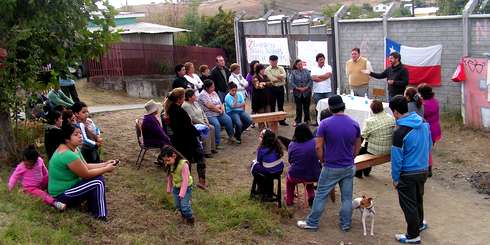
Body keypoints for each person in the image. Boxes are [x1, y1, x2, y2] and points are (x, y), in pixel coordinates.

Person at [297, 95, 361, 231]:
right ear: (343, 106)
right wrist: (352, 157)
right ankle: (345, 224)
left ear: (331, 108)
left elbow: (318, 147)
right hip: (348, 166)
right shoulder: (354, 123)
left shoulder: (325, 124)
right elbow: (357, 145)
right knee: (347, 197)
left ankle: (312, 222)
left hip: (331, 166)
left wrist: (322, 160)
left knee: (320, 195)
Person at [48, 121, 117, 220]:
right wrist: (106, 169)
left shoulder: (74, 149)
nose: (80, 136)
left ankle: (93, 208)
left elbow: (86, 166)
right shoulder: (67, 154)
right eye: (76, 134)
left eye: (80, 133)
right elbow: (86, 174)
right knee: (97, 182)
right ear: (67, 139)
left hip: (70, 189)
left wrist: (105, 163)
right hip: (60, 196)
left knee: (97, 179)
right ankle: (100, 215)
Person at [389, 95, 431, 244]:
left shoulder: (399, 132)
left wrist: (395, 178)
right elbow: (429, 145)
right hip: (423, 169)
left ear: (395, 112)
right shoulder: (424, 122)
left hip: (407, 174)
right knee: (418, 199)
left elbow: (396, 159)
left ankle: (413, 235)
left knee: (409, 205)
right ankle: (419, 224)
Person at [165, 88, 208, 189]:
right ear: (179, 99)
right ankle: (201, 182)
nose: (184, 98)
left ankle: (186, 182)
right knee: (200, 158)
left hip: (178, 140)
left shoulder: (170, 109)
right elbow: (188, 127)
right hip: (188, 140)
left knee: (185, 162)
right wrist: (198, 133)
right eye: (184, 96)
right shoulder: (179, 111)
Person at [8, 145, 66, 211]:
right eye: (26, 164)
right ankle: (55, 203)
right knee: (42, 194)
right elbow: (14, 177)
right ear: (23, 160)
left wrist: (48, 178)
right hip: (31, 188)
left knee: (51, 177)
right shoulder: (21, 167)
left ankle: (58, 191)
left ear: (35, 161)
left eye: (31, 164)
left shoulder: (39, 161)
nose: (28, 166)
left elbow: (45, 171)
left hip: (40, 183)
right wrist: (10, 187)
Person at [355, 100, 395, 178]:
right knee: (366, 147)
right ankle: (366, 172)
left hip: (376, 151)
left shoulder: (370, 121)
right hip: (389, 148)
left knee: (361, 152)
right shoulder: (391, 118)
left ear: (372, 110)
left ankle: (358, 173)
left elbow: (363, 136)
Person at [285, 124, 321, 207]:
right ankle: (311, 196)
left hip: (296, 175)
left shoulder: (292, 145)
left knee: (289, 181)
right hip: (314, 175)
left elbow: (290, 160)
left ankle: (289, 200)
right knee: (308, 176)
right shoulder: (315, 142)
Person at [163, 146, 195, 225]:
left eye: (168, 160)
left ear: (174, 155)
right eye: (165, 161)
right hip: (176, 187)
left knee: (184, 206)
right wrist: (169, 188)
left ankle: (190, 218)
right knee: (178, 205)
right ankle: (183, 215)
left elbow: (185, 181)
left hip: (186, 188)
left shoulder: (184, 165)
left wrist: (182, 193)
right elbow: (170, 177)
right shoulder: (171, 165)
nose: (166, 162)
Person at [198, 79, 235, 147]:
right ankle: (217, 143)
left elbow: (220, 102)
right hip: (209, 114)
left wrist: (222, 109)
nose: (213, 88)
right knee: (216, 125)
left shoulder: (214, 92)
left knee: (228, 119)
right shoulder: (203, 94)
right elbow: (209, 106)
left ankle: (231, 136)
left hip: (219, 112)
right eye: (212, 87)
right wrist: (219, 110)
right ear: (206, 88)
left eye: (214, 86)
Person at [182, 88, 217, 158]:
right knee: (207, 129)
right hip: (194, 124)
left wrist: (206, 121)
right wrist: (204, 124)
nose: (196, 96)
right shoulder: (186, 105)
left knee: (212, 127)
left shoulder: (196, 103)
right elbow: (193, 118)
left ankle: (212, 148)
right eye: (194, 95)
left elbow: (203, 113)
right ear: (189, 97)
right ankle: (207, 152)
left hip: (203, 122)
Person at [250, 129, 285, 198]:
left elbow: (259, 162)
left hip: (269, 172)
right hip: (279, 170)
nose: (259, 138)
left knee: (254, 166)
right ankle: (268, 190)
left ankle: (262, 189)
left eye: (261, 136)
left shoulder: (261, 149)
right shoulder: (277, 146)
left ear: (264, 139)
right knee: (265, 167)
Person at [417, 83, 441, 177]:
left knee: (425, 151)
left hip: (428, 130)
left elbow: (420, 115)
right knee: (428, 150)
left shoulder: (425, 105)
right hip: (435, 129)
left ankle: (427, 169)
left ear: (422, 94)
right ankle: (428, 168)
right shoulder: (434, 101)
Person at [141, 99, 172, 165]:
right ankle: (164, 160)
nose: (158, 109)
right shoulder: (150, 119)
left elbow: (159, 131)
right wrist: (168, 139)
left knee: (167, 140)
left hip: (149, 139)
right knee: (168, 143)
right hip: (149, 141)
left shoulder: (149, 117)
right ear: (154, 110)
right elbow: (159, 132)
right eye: (157, 108)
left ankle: (161, 159)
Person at [311, 53, 334, 126]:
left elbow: (328, 75)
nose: (322, 61)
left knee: (329, 107)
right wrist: (323, 77)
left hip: (327, 91)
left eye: (323, 59)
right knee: (318, 107)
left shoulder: (328, 67)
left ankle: (330, 122)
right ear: (317, 60)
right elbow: (314, 78)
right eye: (320, 60)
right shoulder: (314, 68)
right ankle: (318, 122)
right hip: (317, 91)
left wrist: (318, 77)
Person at [265, 55, 288, 126]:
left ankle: (282, 121)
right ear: (269, 61)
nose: (274, 62)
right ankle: (273, 121)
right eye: (272, 61)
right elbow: (272, 79)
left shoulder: (281, 68)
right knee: (272, 105)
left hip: (280, 88)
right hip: (272, 89)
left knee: (281, 105)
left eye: (275, 61)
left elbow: (285, 76)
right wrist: (280, 78)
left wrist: (279, 77)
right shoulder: (267, 69)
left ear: (277, 61)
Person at [289, 59, 313, 126]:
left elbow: (310, 80)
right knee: (298, 108)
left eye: (301, 64)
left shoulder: (307, 71)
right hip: (297, 93)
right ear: (296, 65)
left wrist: (306, 87)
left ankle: (307, 120)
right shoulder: (293, 72)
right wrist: (297, 88)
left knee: (306, 107)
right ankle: (298, 121)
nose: (300, 65)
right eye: (298, 64)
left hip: (306, 92)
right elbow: (291, 82)